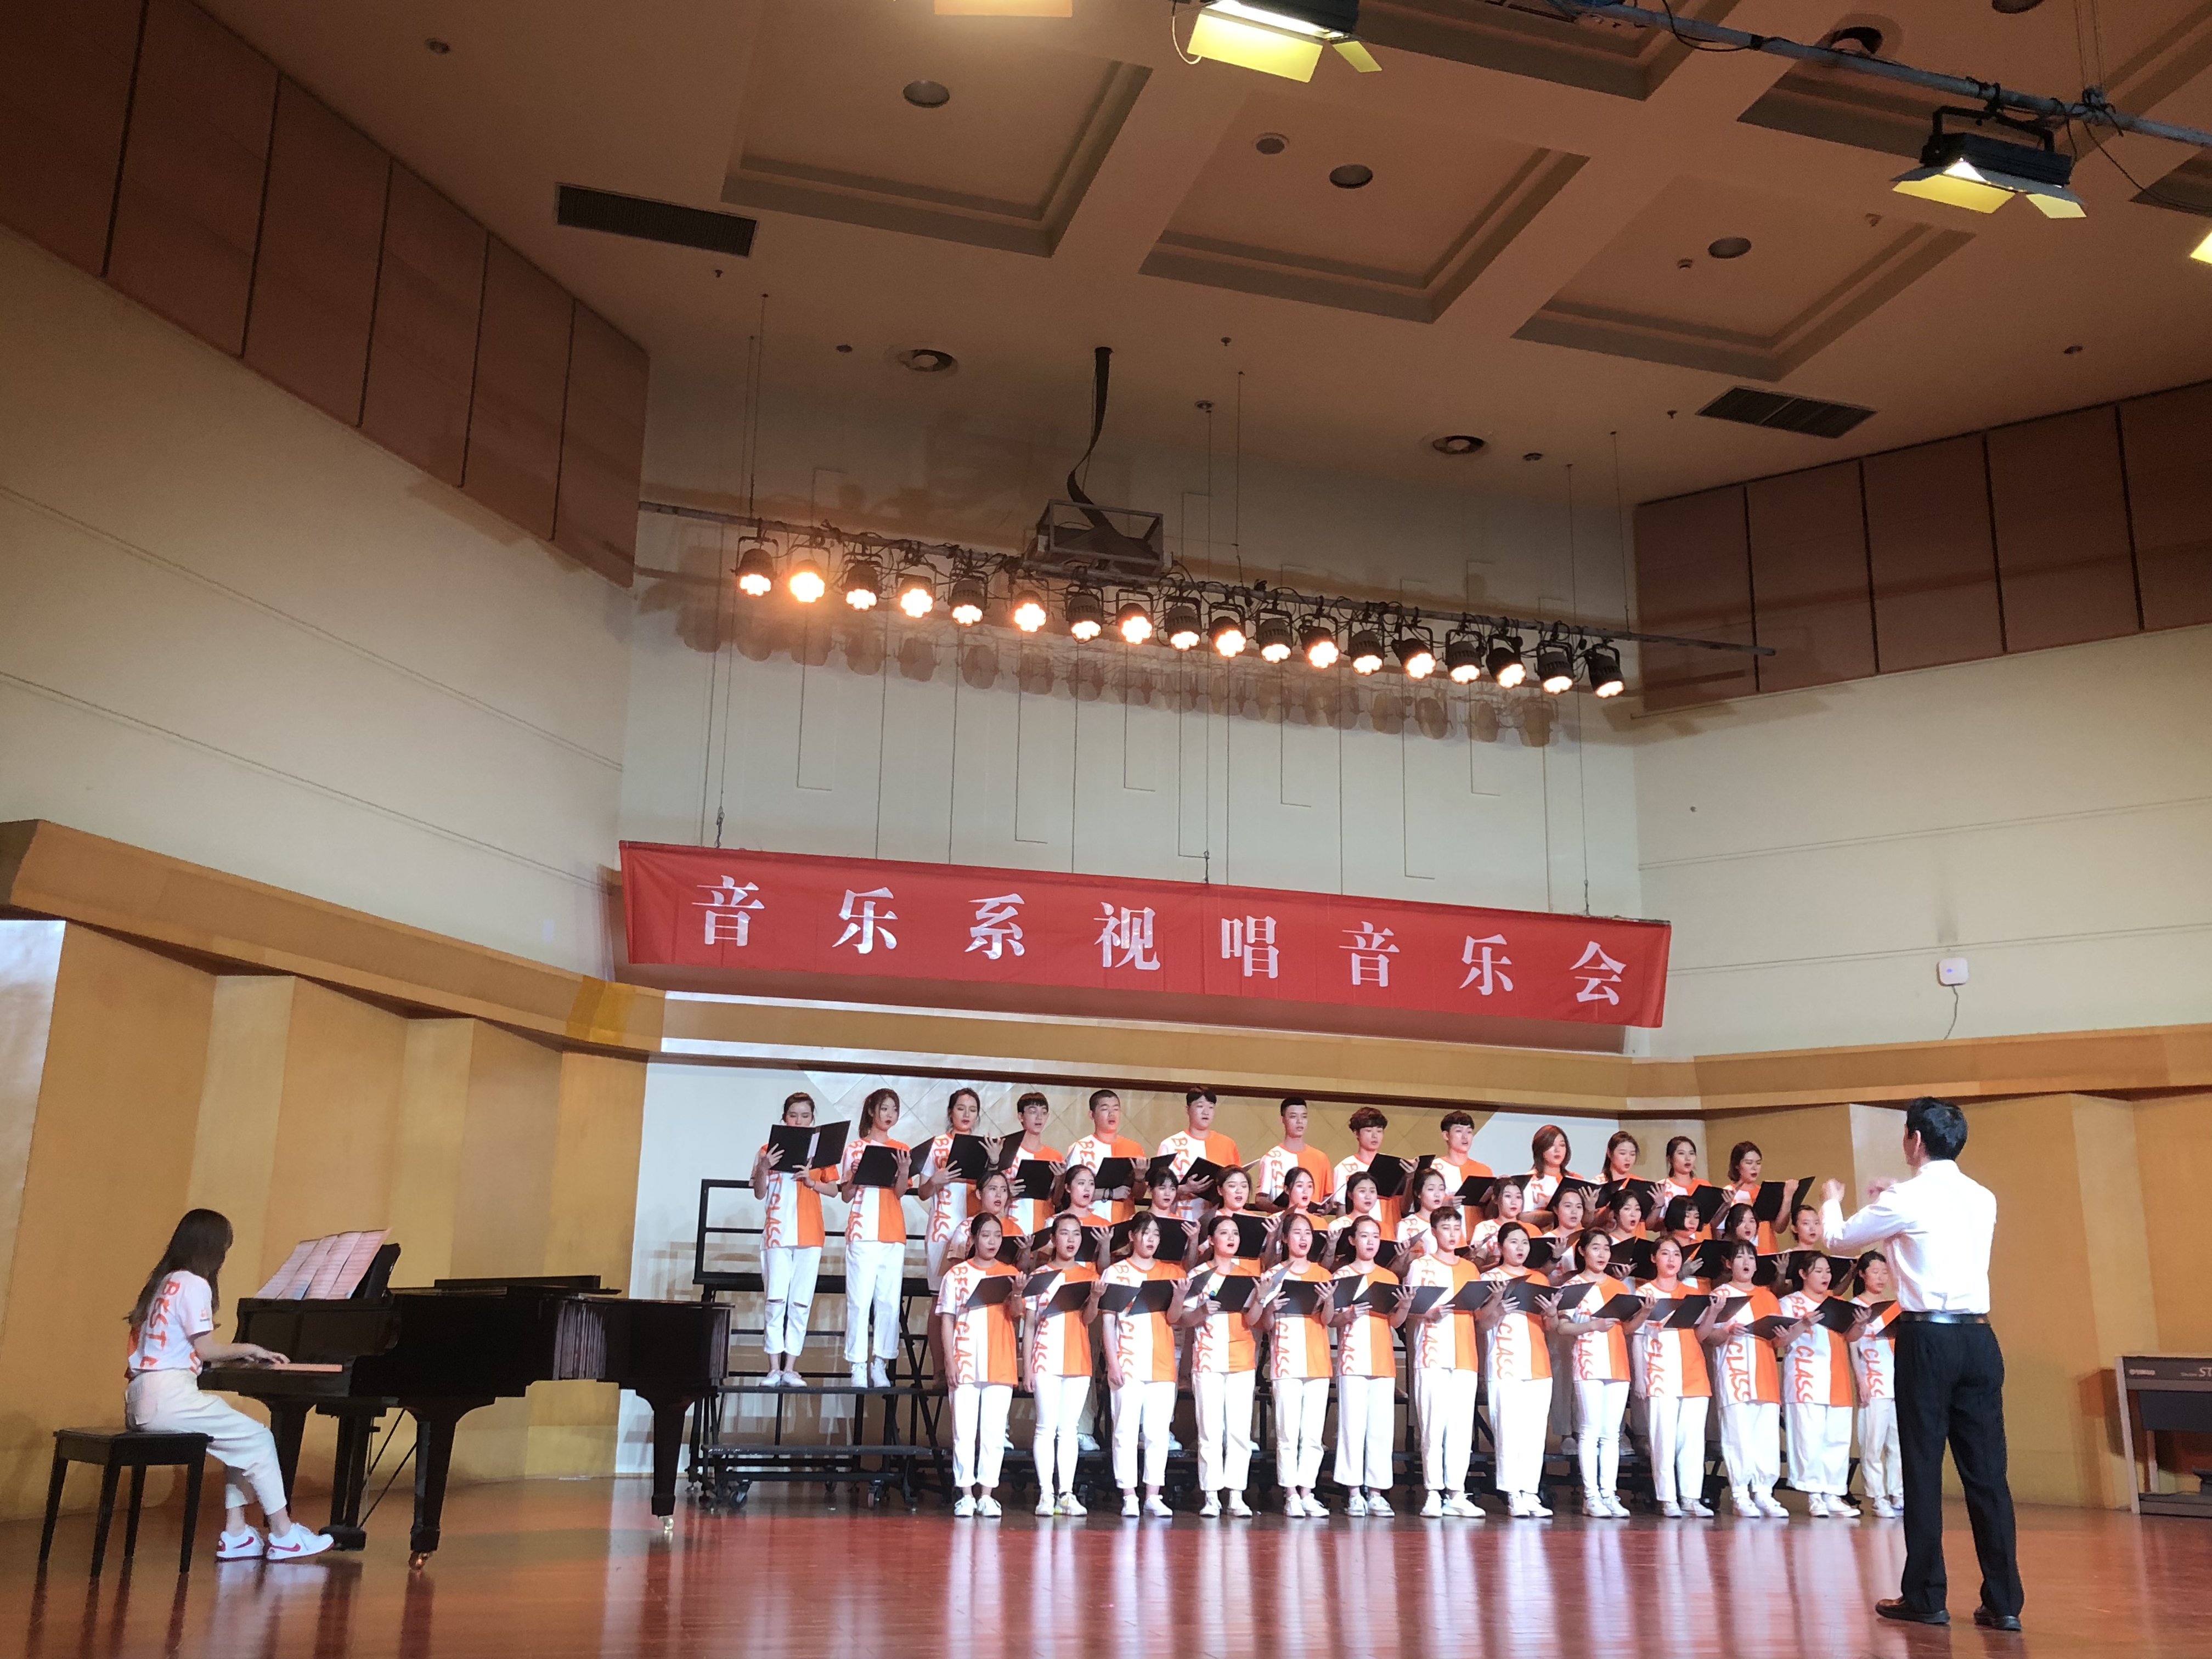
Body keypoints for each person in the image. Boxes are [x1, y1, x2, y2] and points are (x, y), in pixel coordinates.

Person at [1821, 1097, 2023, 1631]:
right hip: (1979, 1337)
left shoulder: (1907, 1198)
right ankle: (2004, 1601)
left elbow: (1838, 1239)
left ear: (1914, 1140)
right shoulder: (1982, 1196)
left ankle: (1926, 1595)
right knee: (1988, 1474)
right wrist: (1891, 1199)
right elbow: (1931, 1228)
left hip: (1927, 1338)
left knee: (1923, 1466)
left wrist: (1832, 1201)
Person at [124, 1209, 336, 1561]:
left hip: (142, 1397)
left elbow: (184, 1352)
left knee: (237, 1439)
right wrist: (250, 1348)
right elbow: (205, 1350)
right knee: (259, 1438)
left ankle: (237, 1533)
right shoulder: (194, 1284)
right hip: (168, 1398)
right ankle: (284, 1534)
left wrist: (238, 1358)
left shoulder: (165, 1283)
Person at [751, 1090, 840, 1386]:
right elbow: (759, 1192)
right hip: (777, 1233)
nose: (799, 1121)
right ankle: (773, 1367)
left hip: (810, 1234)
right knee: (775, 1299)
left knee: (801, 1302)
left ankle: (791, 1367)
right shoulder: (766, 1150)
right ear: (784, 1118)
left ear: (812, 1119)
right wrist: (764, 1168)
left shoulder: (821, 1152)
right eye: (793, 1115)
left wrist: (812, 1182)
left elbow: (834, 1190)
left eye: (805, 1116)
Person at [1250, 1211, 1336, 1517]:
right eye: (1297, 1233)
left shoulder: (1323, 1274)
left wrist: (1329, 1302)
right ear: (1285, 1238)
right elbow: (1265, 1325)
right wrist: (1269, 1307)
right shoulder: (1274, 1274)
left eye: (1308, 1233)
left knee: (1312, 1435)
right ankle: (1290, 1494)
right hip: (1286, 1361)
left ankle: (1307, 1492)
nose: (1303, 1238)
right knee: (1288, 1432)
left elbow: (1328, 1320)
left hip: (1317, 1362)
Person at [1403, 1206, 1485, 1518]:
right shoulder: (1420, 1265)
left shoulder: (1470, 1269)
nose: (1452, 1234)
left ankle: (1457, 1492)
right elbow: (1409, 1311)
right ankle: (1433, 1492)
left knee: (1460, 1428)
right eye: (1446, 1228)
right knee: (1433, 1426)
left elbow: (1479, 1315)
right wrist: (1429, 1313)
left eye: (1456, 1228)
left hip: (1464, 1355)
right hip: (1432, 1354)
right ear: (1434, 1232)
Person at [936, 1213, 1020, 1516]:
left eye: (997, 1235)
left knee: (994, 1432)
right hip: (965, 1360)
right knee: (964, 1431)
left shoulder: (1010, 1273)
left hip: (1000, 1360)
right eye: (986, 1235)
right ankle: (966, 1493)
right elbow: (947, 1319)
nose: (992, 1241)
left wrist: (1018, 1292)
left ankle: (987, 1494)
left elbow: (1018, 1313)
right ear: (973, 1239)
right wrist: (949, 1361)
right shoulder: (956, 1275)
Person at [1102, 1214, 1184, 1517]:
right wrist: (1112, 1363)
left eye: (1156, 1234)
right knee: (1125, 1431)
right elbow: (1108, 1321)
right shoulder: (1116, 1272)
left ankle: (1153, 1494)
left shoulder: (1171, 1272)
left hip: (1161, 1362)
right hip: (1128, 1361)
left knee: (1157, 1433)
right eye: (1145, 1233)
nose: (1151, 1239)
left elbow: (1174, 1318)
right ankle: (1128, 1495)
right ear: (1132, 1236)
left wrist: (1180, 1297)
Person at [1558, 1228, 1643, 1517]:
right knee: (1590, 1430)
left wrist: (1644, 1313)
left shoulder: (1620, 1287)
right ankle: (1591, 1495)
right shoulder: (1574, 1286)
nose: (1602, 1254)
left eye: (1606, 1249)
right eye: (1596, 1248)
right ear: (1582, 1251)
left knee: (1611, 1434)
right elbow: (1562, 1327)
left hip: (1617, 1363)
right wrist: (1591, 1326)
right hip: (1589, 1363)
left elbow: (1627, 1328)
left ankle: (1609, 1493)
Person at [1178, 1215, 1260, 1516]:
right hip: (1208, 1358)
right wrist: (1201, 1312)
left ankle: (1236, 1494)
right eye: (1224, 1233)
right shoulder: (1199, 1275)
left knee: (1239, 1431)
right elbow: (1184, 1319)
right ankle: (1211, 1494)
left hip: (1241, 1358)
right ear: (1211, 1240)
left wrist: (1261, 1299)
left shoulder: (1248, 1275)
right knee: (1210, 1430)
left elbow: (1254, 1320)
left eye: (1235, 1233)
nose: (1231, 1238)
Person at [1022, 1213, 1102, 1516]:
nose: (1071, 1240)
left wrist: (1095, 1299)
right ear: (1053, 1239)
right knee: (1045, 1428)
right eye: (1065, 1234)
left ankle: (1066, 1493)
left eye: (1077, 1234)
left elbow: (1088, 1319)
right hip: (1046, 1357)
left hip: (1077, 1359)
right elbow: (1030, 1324)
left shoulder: (1087, 1275)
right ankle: (1046, 1493)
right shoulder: (1040, 1276)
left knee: (1069, 1430)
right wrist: (1027, 1368)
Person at [1703, 1237, 1790, 1517]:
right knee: (1738, 1436)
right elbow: (1709, 1337)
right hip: (1735, 1375)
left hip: (1764, 1376)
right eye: (1740, 1257)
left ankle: (1764, 1492)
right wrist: (1727, 1331)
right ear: (1729, 1264)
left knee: (1766, 1437)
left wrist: (1785, 1335)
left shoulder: (1768, 1297)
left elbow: (1778, 1341)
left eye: (1751, 1258)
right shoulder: (1721, 1295)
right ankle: (1740, 1494)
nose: (1746, 1262)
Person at [1327, 1214, 1406, 1515]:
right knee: (1352, 1427)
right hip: (1353, 1359)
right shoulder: (1342, 1275)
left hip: (1383, 1360)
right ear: (1352, 1240)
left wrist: (1405, 1306)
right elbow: (1331, 1319)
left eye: (1375, 1236)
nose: (1371, 1242)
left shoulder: (1388, 1278)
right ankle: (1352, 1491)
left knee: (1381, 1430)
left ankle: (1376, 1491)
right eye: (1364, 1236)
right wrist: (1346, 1316)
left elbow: (1394, 1322)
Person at [1778, 1253, 1865, 1518]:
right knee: (1808, 1439)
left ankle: (1833, 1494)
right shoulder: (1789, 1303)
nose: (1826, 1276)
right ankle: (1814, 1495)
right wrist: (1803, 1324)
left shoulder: (1837, 1304)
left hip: (1837, 1379)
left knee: (1837, 1440)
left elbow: (1850, 1336)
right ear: (1803, 1274)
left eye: (1828, 1271)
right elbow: (1780, 1341)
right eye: (1819, 1271)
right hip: (1805, 1379)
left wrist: (1860, 1326)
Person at [1479, 1221, 1556, 1517]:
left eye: (1525, 1242)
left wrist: (1552, 1313)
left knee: (1534, 1433)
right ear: (1501, 1247)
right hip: (1505, 1363)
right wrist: (1499, 1308)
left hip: (1537, 1364)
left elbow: (1551, 1325)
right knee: (1508, 1430)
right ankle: (1512, 1492)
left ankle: (1530, 1492)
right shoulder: (1490, 1279)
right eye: (1514, 1242)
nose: (1520, 1248)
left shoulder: (1538, 1278)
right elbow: (1481, 1323)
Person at [1633, 1235, 1713, 1517]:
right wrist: (1640, 1377)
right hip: (1660, 1372)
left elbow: (1701, 1335)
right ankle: (1668, 1498)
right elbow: (1637, 1336)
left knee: (1692, 1440)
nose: (1671, 1260)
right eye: (1665, 1254)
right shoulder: (1644, 1292)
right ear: (1654, 1258)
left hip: (1693, 1372)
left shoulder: (1692, 1292)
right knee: (1663, 1439)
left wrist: (1713, 1313)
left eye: (1677, 1255)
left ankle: (1691, 1497)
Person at [838, 1087, 912, 1389]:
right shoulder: (855, 1148)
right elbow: (845, 1195)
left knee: (889, 1302)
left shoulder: (901, 1148)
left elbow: (900, 1192)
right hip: (863, 1231)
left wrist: (904, 1171)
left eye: (894, 1109)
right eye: (884, 1109)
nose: (889, 1115)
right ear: (872, 1111)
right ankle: (857, 1365)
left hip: (893, 1232)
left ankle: (880, 1363)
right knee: (859, 1301)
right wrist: (856, 1176)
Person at [917, 1087, 986, 1290]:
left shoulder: (984, 1147)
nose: (967, 1115)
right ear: (950, 1112)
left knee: (970, 1292)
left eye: (973, 1110)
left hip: (975, 1228)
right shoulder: (936, 1145)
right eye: (961, 1108)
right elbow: (923, 1193)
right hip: (943, 1228)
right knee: (940, 1294)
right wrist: (934, 1181)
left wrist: (993, 1162)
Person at [1852, 1252, 1905, 1517]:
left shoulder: (1894, 1306)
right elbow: (1852, 1346)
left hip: (1896, 1381)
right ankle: (1877, 1495)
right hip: (1873, 1380)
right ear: (1862, 1274)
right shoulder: (1855, 1305)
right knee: (1873, 1443)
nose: (1881, 1278)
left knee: (1897, 1443)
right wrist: (1860, 1380)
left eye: (1885, 1272)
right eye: (1875, 1272)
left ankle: (1898, 1492)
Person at [1156, 1089, 1240, 1226]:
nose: (1206, 1112)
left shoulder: (1227, 1144)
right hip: (1177, 1218)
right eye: (1200, 1106)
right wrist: (1186, 1188)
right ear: (1188, 1110)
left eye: (1211, 1107)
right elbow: (1156, 1189)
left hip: (1217, 1222)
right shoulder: (1170, 1145)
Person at [1065, 1088, 1146, 1226]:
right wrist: (1110, 1193)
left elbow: (1139, 1195)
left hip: (1124, 1221)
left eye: (1116, 1109)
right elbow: (1070, 1194)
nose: (1112, 1114)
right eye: (1105, 1109)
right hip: (1087, 1223)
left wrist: (1140, 1178)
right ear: (1092, 1115)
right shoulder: (1080, 1148)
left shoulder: (1134, 1148)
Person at [1254, 1097, 1335, 1213]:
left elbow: (1327, 1198)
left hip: (1313, 1221)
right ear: (1283, 1120)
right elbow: (1261, 1199)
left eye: (1304, 1117)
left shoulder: (1321, 1158)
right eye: (1293, 1117)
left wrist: (1326, 1209)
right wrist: (1283, 1211)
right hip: (1281, 1221)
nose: (1299, 1121)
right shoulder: (1271, 1158)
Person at [1333, 1106, 1403, 1232]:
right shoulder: (1345, 1168)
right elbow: (1342, 1208)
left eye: (1379, 1131)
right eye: (1369, 1131)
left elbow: (1403, 1205)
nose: (1375, 1136)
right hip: (1359, 1234)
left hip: (1390, 1231)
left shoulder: (1393, 1164)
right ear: (1356, 1133)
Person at [1005, 1091, 1064, 1240]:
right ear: (1021, 1116)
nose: (1039, 1117)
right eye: (1033, 1112)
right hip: (1012, 1223)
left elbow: (1057, 1201)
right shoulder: (1007, 1152)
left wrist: (1060, 1180)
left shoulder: (1055, 1156)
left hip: (1044, 1225)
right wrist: (1006, 1191)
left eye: (1044, 1113)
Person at [1721, 1141, 1780, 1252]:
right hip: (1742, 1253)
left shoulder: (1766, 1192)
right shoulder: (1729, 1192)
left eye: (1758, 1163)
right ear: (1737, 1165)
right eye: (1749, 1163)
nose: (1754, 1168)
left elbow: (1777, 1227)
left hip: (1768, 1250)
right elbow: (1722, 1230)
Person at [1434, 1110, 1493, 1189]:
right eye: (1459, 1131)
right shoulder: (1434, 1168)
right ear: (1446, 1135)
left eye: (1469, 1132)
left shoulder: (1484, 1170)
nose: (1465, 1137)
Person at [1525, 1124, 1580, 1209]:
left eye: (1562, 1145)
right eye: (1551, 1145)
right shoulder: (1528, 1181)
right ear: (1540, 1149)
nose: (1557, 1150)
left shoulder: (1576, 1179)